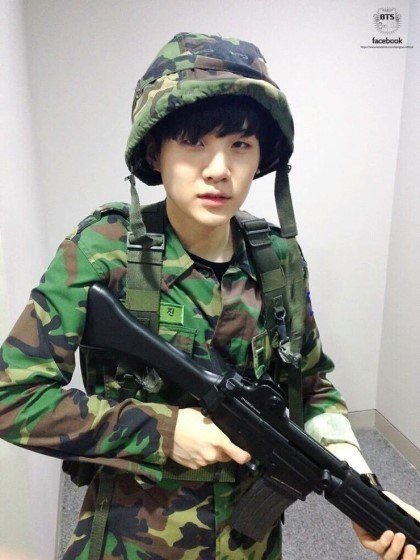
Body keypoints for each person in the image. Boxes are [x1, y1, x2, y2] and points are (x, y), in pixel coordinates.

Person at [0, 32, 418, 560]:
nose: (219, 169)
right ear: (156, 151)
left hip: (250, 542)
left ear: (261, 157)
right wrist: (164, 431)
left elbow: (312, 387)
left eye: (240, 145)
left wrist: (360, 486)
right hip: (133, 542)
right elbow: (13, 398)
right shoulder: (105, 250)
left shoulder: (278, 258)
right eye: (195, 142)